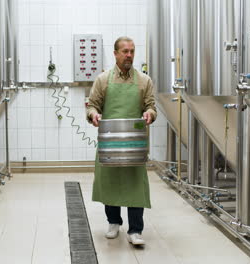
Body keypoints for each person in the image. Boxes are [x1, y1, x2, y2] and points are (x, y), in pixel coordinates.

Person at [86, 36, 157, 246]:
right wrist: (93, 116)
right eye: (125, 51)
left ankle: (135, 230)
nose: (129, 55)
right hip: (110, 142)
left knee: (135, 185)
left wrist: (150, 114)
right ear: (115, 53)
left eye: (132, 51)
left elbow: (151, 106)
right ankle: (113, 222)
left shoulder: (144, 80)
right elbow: (92, 106)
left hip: (134, 143)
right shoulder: (103, 80)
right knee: (110, 182)